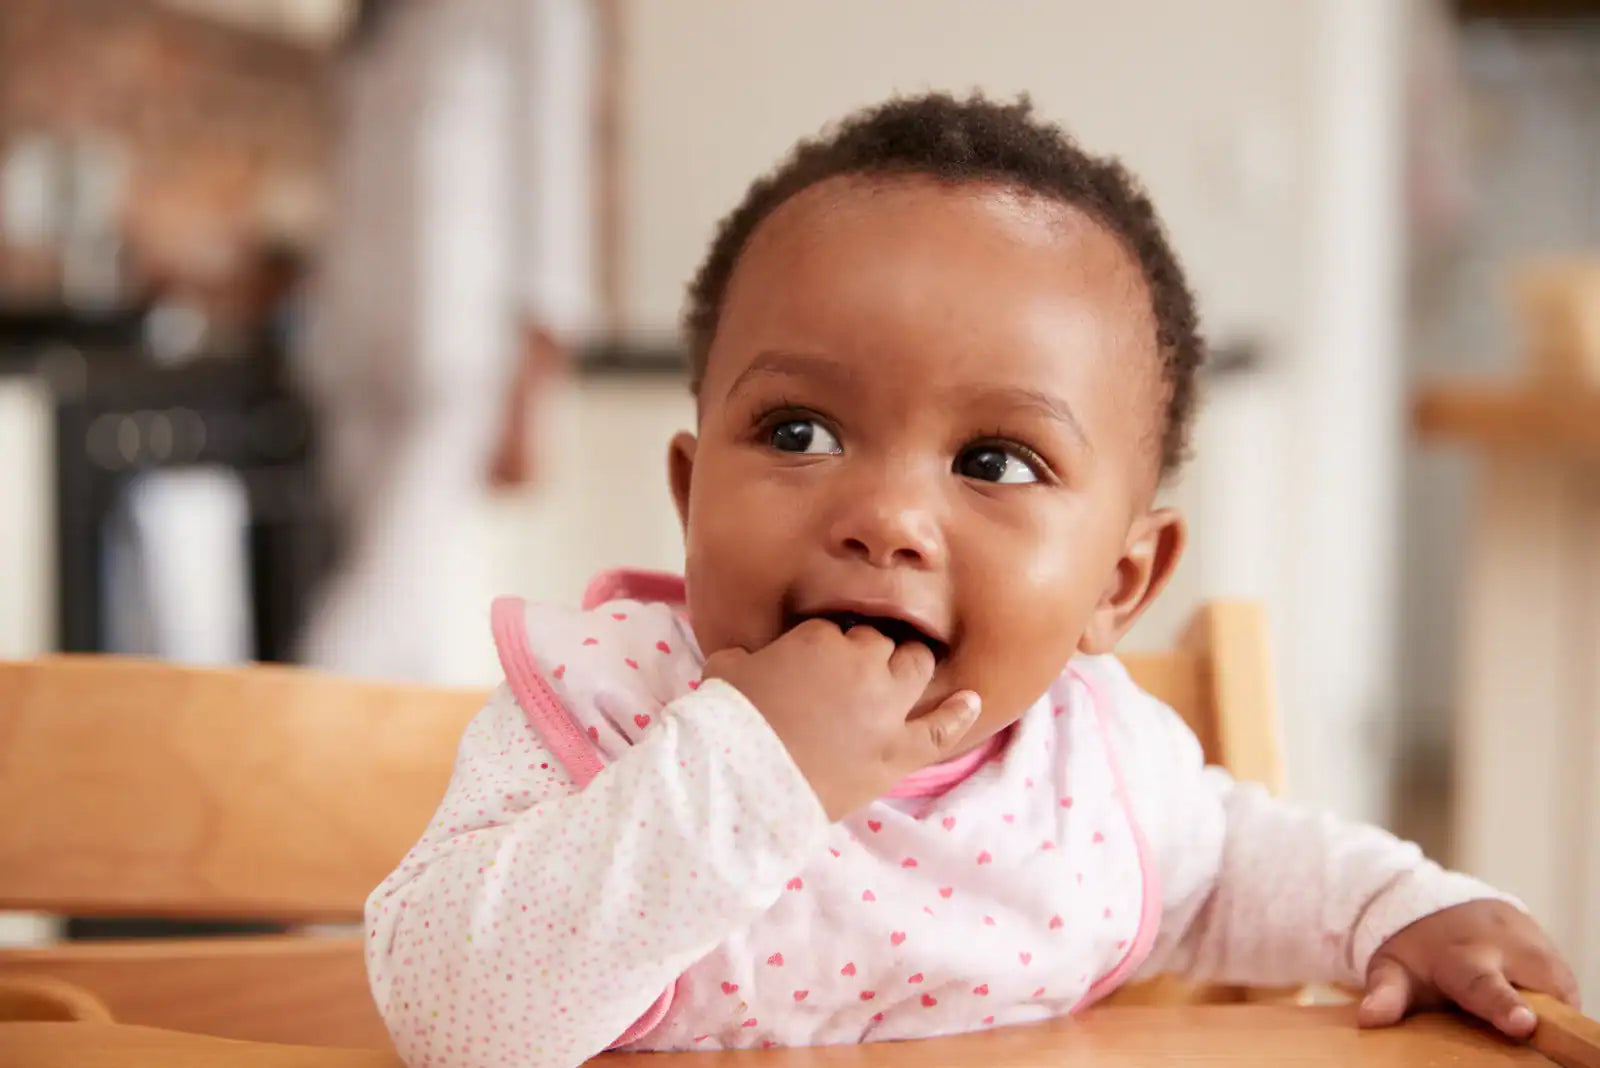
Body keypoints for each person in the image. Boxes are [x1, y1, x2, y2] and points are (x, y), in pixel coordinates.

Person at [364, 94, 1579, 1067]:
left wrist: (1398, 912)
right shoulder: (602, 716)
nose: (886, 516)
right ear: (689, 496)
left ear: (1120, 579)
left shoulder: (1092, 775)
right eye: (797, 433)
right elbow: (452, 1018)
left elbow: (1234, 871)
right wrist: (751, 767)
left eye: (995, 461)